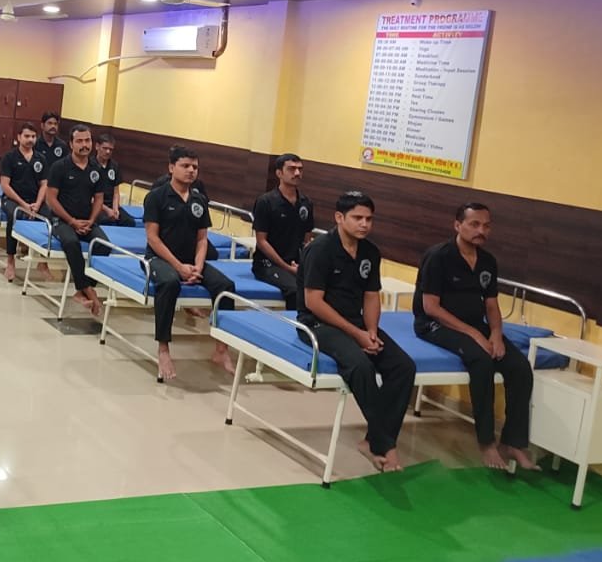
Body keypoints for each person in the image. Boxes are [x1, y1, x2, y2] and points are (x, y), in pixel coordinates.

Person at [413, 203, 538, 472]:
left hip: (474, 324)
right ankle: (486, 442)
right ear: (458, 225)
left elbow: (491, 305)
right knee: (481, 360)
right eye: (474, 224)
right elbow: (430, 307)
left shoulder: (487, 261)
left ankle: (513, 442)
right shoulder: (438, 257)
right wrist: (473, 334)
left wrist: (496, 334)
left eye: (486, 226)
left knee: (520, 367)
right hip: (434, 324)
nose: (481, 230)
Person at [298, 191, 415, 472]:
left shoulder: (370, 252)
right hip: (317, 324)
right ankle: (385, 445)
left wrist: (371, 330)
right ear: (339, 218)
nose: (364, 224)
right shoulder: (320, 249)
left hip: (357, 323)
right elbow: (314, 302)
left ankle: (372, 440)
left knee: (403, 367)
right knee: (360, 366)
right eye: (357, 218)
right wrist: (357, 334)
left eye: (369, 219)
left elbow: (371, 296)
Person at [143, 146, 237, 381]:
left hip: (191, 261)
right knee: (169, 283)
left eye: (195, 167)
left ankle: (221, 349)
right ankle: (163, 349)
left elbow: (202, 239)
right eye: (185, 166)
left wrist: (197, 266)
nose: (191, 170)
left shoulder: (199, 199)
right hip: (159, 259)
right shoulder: (157, 197)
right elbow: (153, 238)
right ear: (171, 167)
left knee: (226, 286)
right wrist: (179, 267)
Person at [45, 124, 106, 316]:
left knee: (104, 245)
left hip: (87, 220)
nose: (84, 145)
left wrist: (91, 220)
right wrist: (71, 221)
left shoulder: (96, 168)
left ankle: (82, 289)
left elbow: (99, 198)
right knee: (71, 243)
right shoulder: (59, 167)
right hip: (62, 220)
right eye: (79, 141)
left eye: (87, 140)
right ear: (71, 144)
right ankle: (87, 289)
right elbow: (51, 199)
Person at [251, 153, 314, 311]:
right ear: (279, 173)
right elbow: (262, 242)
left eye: (300, 169)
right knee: (295, 290)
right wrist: (286, 267)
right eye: (292, 169)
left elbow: (307, 240)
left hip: (296, 263)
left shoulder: (306, 203)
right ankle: (295, 325)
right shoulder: (266, 202)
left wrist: (304, 264)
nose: (297, 173)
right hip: (268, 264)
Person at [0, 121, 48, 282]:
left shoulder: (41, 158)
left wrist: (37, 204)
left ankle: (42, 262)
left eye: (33, 136)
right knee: (14, 216)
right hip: (13, 199)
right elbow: (5, 185)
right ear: (19, 137)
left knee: (50, 217)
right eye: (27, 136)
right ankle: (10, 261)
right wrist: (23, 205)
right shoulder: (10, 157)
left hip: (34, 201)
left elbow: (44, 184)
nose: (30, 139)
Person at [94, 132, 135, 227]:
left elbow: (116, 192)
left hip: (111, 205)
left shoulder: (114, 166)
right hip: (96, 206)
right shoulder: (90, 165)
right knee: (106, 220)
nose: (108, 152)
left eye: (110, 149)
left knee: (129, 222)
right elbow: (89, 197)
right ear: (97, 146)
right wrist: (107, 210)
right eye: (105, 148)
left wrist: (115, 208)